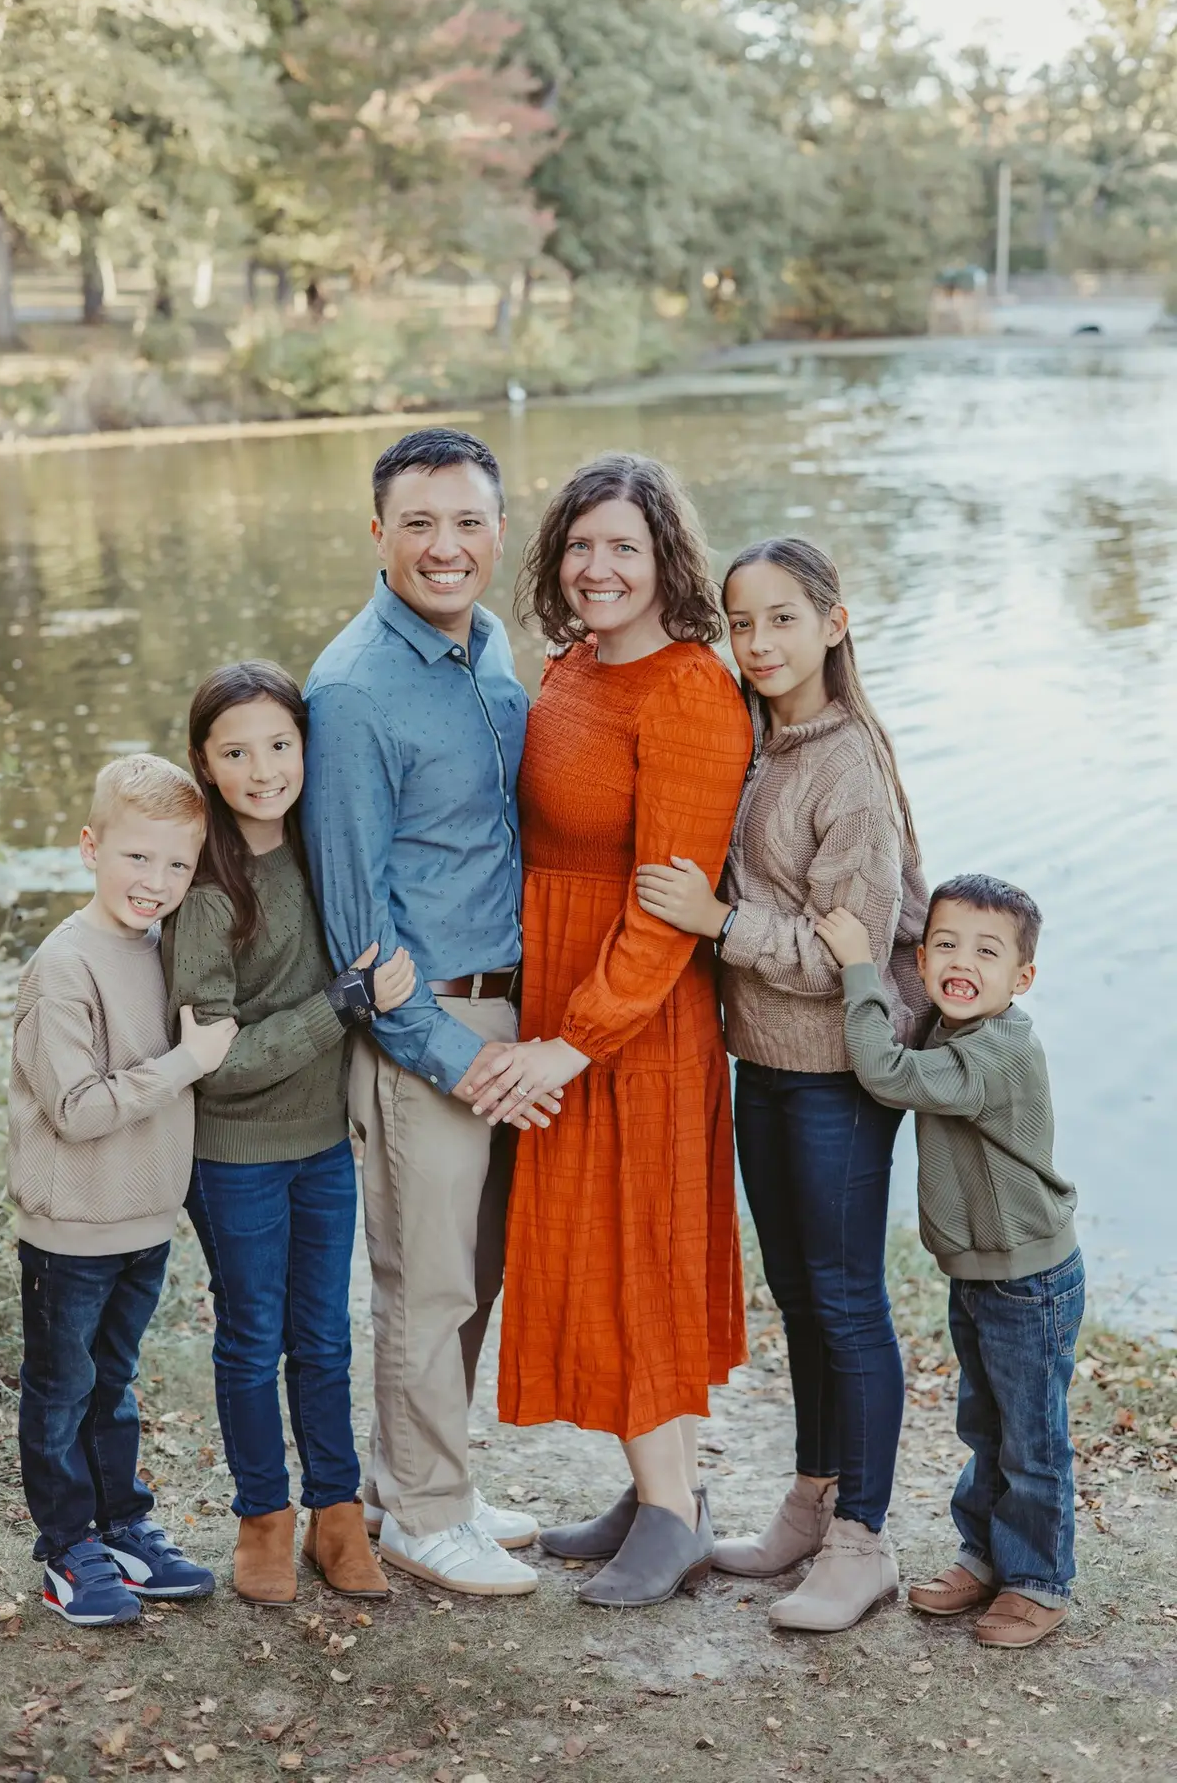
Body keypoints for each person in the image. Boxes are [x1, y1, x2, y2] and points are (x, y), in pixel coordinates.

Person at [467, 452, 752, 1607]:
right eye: (580, 544)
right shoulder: (570, 668)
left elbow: (667, 912)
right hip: (562, 996)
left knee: (641, 1255)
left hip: (632, 1020)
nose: (597, 567)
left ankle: (676, 1516)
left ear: (664, 559)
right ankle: (653, 1495)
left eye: (622, 547)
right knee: (604, 1247)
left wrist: (572, 1041)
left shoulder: (688, 691)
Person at [635, 536, 927, 1632]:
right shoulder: (759, 737)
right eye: (741, 623)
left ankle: (865, 1542)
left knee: (848, 1301)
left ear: (832, 624)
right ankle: (812, 1503)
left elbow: (848, 953)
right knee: (802, 1297)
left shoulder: (845, 764)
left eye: (781, 621)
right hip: (760, 1065)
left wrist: (717, 923)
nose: (757, 644)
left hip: (834, 1079)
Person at [303, 427, 554, 1598]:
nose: (444, 547)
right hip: (426, 1041)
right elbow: (360, 933)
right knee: (424, 1280)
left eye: (466, 523)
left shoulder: (494, 650)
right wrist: (455, 1057)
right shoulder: (351, 689)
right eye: (418, 523)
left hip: (507, 1022)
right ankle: (416, 1511)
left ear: (498, 534)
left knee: (479, 1273)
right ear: (377, 536)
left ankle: (437, 1478)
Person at [164, 660, 415, 1608]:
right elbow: (214, 1063)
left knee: (323, 1336)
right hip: (232, 1157)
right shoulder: (208, 891)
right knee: (251, 1337)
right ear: (206, 764)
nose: (263, 768)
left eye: (280, 744)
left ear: (308, 746)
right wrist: (340, 1005)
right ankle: (262, 1516)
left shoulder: (325, 850)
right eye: (236, 752)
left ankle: (336, 1516)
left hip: (321, 1145)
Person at [818, 876, 1082, 1650]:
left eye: (986, 951)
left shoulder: (996, 1051)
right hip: (980, 1275)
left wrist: (858, 968)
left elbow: (886, 1073)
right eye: (945, 945)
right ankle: (988, 1555)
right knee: (986, 1426)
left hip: (1030, 1280)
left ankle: (1039, 1580)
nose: (961, 961)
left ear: (1022, 978)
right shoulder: (951, 1023)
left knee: (1032, 1437)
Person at [9, 754, 234, 1626]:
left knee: (116, 1384)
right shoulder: (63, 968)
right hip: (70, 1232)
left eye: (178, 864)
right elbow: (75, 1108)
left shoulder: (166, 950)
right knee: (62, 1389)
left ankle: (123, 1527)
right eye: (139, 858)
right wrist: (187, 1064)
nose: (159, 881)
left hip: (143, 1222)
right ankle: (67, 1549)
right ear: (90, 848)